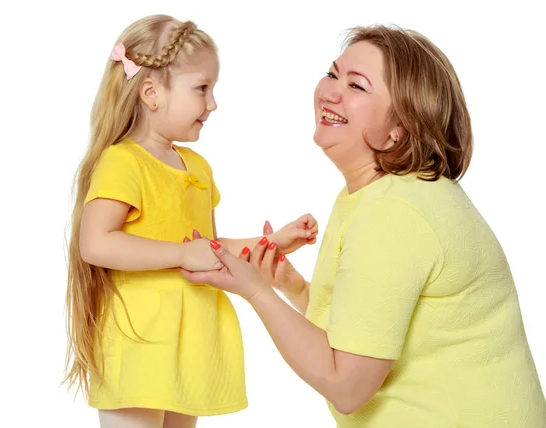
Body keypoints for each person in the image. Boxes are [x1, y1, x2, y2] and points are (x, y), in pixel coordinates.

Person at [180, 24, 546, 427]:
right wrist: (296, 288)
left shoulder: (394, 214)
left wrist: (254, 289)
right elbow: (367, 331)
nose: (329, 91)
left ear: (399, 130)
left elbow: (348, 386)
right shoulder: (390, 194)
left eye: (357, 86)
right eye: (333, 74)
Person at [62, 15, 318, 428]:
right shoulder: (123, 161)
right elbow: (95, 244)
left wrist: (271, 243)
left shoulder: (196, 166)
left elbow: (209, 250)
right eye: (202, 89)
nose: (212, 104)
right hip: (139, 344)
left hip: (189, 344)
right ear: (151, 93)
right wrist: (183, 252)